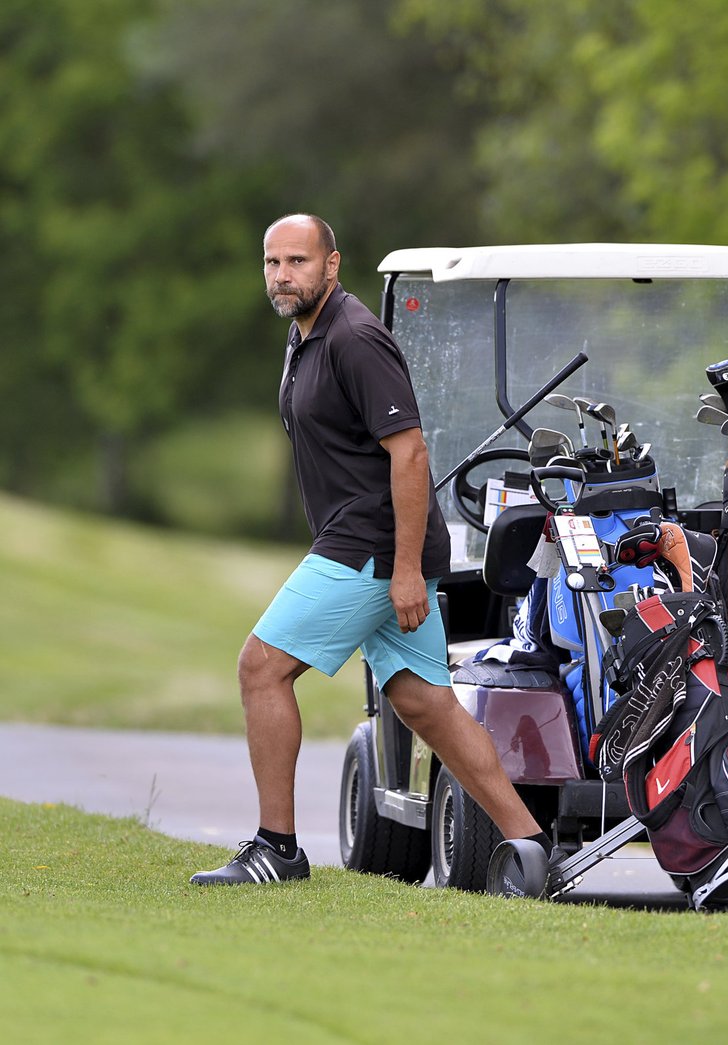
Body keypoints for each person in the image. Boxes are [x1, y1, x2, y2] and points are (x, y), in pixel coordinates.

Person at [191, 214, 551, 885]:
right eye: (273, 263)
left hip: (370, 547)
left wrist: (407, 569)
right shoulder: (304, 337)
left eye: (298, 261)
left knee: (260, 668)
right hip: (370, 547)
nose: (283, 274)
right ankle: (531, 843)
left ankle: (277, 848)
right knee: (424, 701)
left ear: (332, 264)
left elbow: (410, 453)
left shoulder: (355, 337)